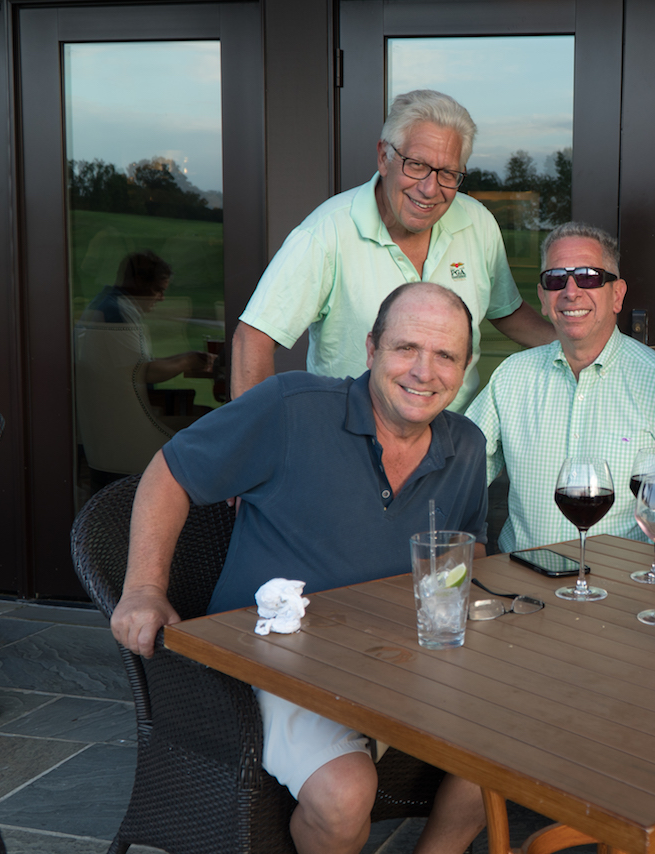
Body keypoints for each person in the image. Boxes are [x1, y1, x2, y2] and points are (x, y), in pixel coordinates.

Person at [111, 281, 488, 854]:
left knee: (518, 746)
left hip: (397, 663)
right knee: (343, 795)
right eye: (406, 348)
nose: (423, 371)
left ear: (465, 367)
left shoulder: (466, 446)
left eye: (445, 355)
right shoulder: (291, 407)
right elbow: (170, 473)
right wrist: (143, 587)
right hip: (279, 661)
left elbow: (465, 554)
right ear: (371, 348)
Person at [232, 89, 553, 408]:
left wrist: (575, 347)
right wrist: (257, 433)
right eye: (417, 165)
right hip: (353, 434)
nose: (430, 189)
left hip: (457, 433)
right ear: (384, 157)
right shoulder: (326, 233)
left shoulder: (477, 222)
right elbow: (253, 338)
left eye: (447, 173)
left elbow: (506, 311)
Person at [466, 222, 655, 553]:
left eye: (589, 276)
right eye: (556, 279)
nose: (571, 291)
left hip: (624, 583)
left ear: (617, 295)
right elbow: (461, 474)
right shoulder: (511, 378)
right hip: (522, 579)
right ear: (543, 298)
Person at [81, 250, 216, 384]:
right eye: (158, 290)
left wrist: (189, 357)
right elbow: (143, 374)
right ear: (139, 282)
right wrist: (188, 361)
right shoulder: (118, 312)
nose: (162, 298)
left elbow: (140, 364)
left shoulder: (110, 302)